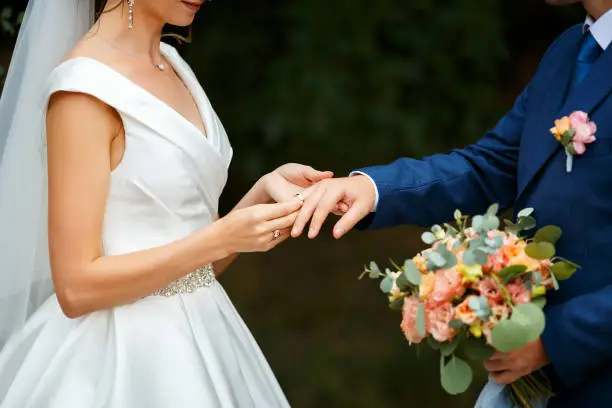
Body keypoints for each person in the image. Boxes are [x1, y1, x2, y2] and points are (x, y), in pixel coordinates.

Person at [0, 0, 327, 406]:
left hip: (209, 334)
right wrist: (223, 237)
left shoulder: (171, 64)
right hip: (120, 357)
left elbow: (192, 266)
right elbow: (75, 287)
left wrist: (260, 193)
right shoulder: (83, 90)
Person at [291, 0, 612, 407]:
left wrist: (556, 340)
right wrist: (374, 190)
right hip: (540, 382)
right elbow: (491, 165)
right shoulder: (568, 49)